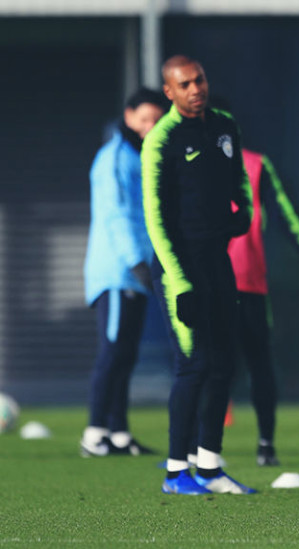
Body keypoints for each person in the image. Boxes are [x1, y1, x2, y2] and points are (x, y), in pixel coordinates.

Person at [142, 55, 255, 495]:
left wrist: (243, 211)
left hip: (216, 260)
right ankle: (176, 472)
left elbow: (239, 180)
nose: (196, 89)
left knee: (225, 362)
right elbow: (155, 219)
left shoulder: (225, 125)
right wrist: (181, 283)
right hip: (179, 268)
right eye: (185, 84)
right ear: (169, 91)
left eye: (199, 80)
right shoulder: (161, 139)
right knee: (194, 365)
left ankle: (209, 466)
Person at [206, 96, 299, 466]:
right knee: (233, 366)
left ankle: (246, 447)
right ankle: (239, 448)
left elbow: (284, 216)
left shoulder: (253, 165)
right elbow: (286, 218)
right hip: (219, 283)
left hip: (239, 282)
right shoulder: (225, 164)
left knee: (238, 365)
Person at [81, 87, 169, 458]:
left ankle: (118, 434)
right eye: (144, 118)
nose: (150, 126)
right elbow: (117, 214)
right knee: (113, 352)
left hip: (134, 272)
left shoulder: (138, 155)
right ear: (129, 116)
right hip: (118, 272)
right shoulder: (115, 157)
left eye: (156, 120)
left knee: (126, 354)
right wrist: (136, 262)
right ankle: (94, 434)